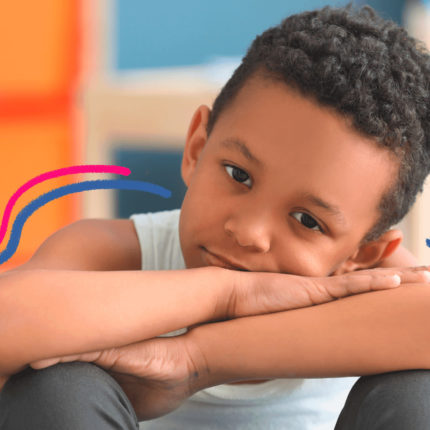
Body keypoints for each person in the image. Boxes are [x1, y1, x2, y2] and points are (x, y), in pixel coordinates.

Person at [1, 4, 430, 429]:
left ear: (365, 253)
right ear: (196, 149)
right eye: (238, 174)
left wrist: (199, 359)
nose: (248, 233)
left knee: (417, 391)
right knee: (55, 386)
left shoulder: (374, 284)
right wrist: (224, 292)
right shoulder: (110, 254)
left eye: (307, 220)